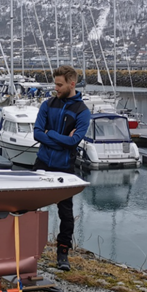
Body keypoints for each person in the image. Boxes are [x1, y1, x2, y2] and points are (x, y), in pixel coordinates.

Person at [33, 65, 91, 271]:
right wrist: (62, 139)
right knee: (29, 208)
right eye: (55, 84)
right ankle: (25, 250)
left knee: (65, 214)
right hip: (41, 165)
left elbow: (74, 141)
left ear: (71, 84)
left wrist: (51, 135)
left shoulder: (83, 112)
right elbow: (37, 134)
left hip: (64, 169)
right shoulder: (47, 104)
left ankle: (62, 255)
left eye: (59, 84)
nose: (55, 88)